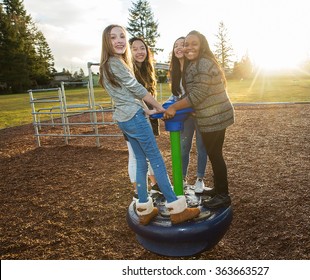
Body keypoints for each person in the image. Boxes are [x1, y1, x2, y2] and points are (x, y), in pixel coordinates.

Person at [99, 24, 200, 225]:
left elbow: (123, 97)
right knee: (156, 160)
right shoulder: (116, 63)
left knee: (140, 160)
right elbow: (135, 88)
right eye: (113, 37)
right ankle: (176, 208)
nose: (119, 41)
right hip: (134, 118)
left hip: (125, 118)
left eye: (122, 36)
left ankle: (144, 208)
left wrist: (147, 110)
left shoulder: (107, 65)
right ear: (106, 41)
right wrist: (160, 107)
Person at [163, 30, 235, 209]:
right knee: (214, 154)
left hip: (215, 117)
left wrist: (174, 107)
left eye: (193, 43)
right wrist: (189, 106)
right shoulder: (194, 63)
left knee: (215, 155)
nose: (188, 47)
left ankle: (223, 195)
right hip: (212, 115)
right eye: (186, 44)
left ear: (202, 45)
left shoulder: (202, 63)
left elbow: (198, 94)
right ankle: (219, 190)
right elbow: (195, 93)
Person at [168, 36, 209, 194]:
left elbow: (199, 92)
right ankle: (182, 179)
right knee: (183, 147)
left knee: (201, 146)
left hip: (200, 114)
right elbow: (176, 95)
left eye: (182, 45)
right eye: (175, 45)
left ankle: (200, 178)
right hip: (185, 115)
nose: (179, 48)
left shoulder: (193, 66)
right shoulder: (174, 71)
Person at [125, 37, 159, 195]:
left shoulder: (147, 70)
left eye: (142, 48)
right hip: (134, 117)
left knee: (150, 152)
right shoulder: (128, 70)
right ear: (129, 51)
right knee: (135, 155)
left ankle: (155, 184)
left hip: (148, 116)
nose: (139, 52)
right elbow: (134, 96)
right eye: (135, 49)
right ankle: (138, 192)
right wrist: (148, 109)